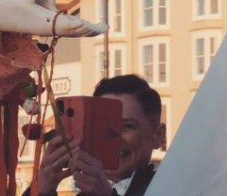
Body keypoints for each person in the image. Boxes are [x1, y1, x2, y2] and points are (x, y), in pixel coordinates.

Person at [26, 75, 166, 196]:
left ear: (158, 136)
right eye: (103, 126)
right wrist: (42, 189)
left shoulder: (173, 187)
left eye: (127, 126)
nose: (113, 137)